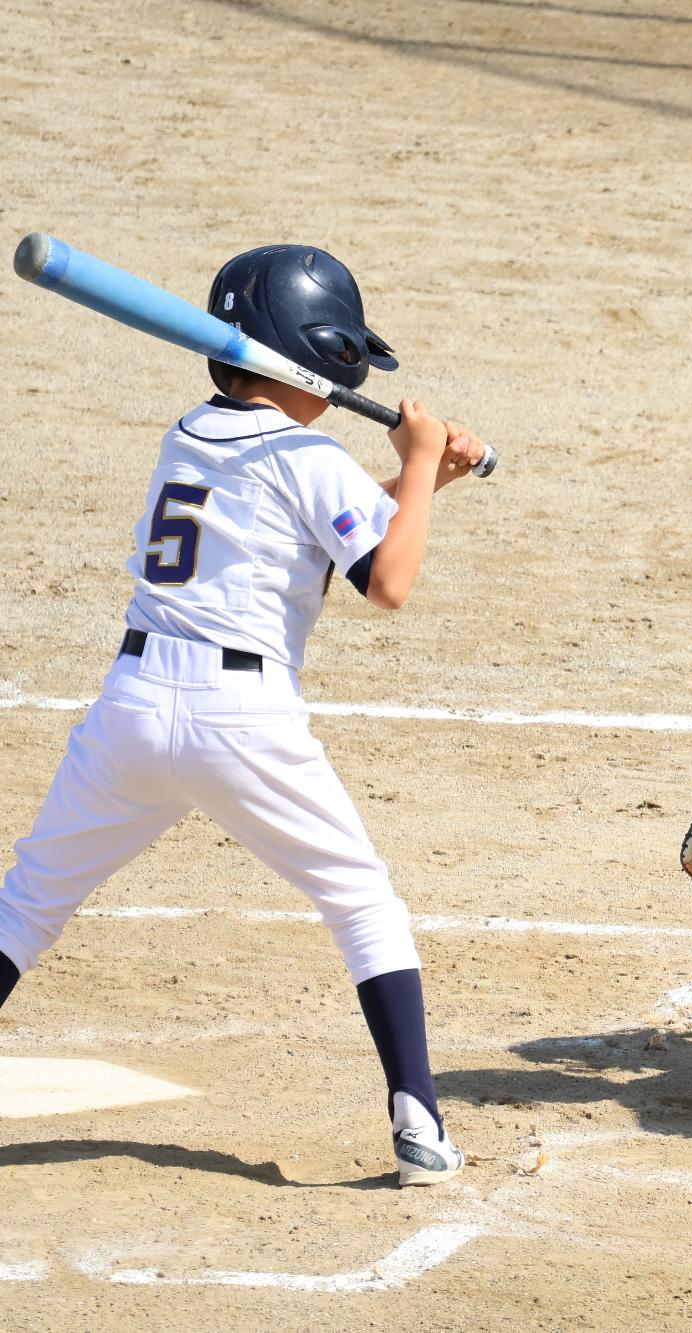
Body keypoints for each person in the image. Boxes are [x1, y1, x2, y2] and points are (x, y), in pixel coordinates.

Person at [0, 245, 489, 1187]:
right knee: (363, 905)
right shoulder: (310, 455)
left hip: (132, 711)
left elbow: (336, 529)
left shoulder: (187, 433)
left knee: (25, 905)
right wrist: (422, 458)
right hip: (242, 720)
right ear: (325, 355)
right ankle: (421, 1127)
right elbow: (386, 580)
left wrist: (432, 480)